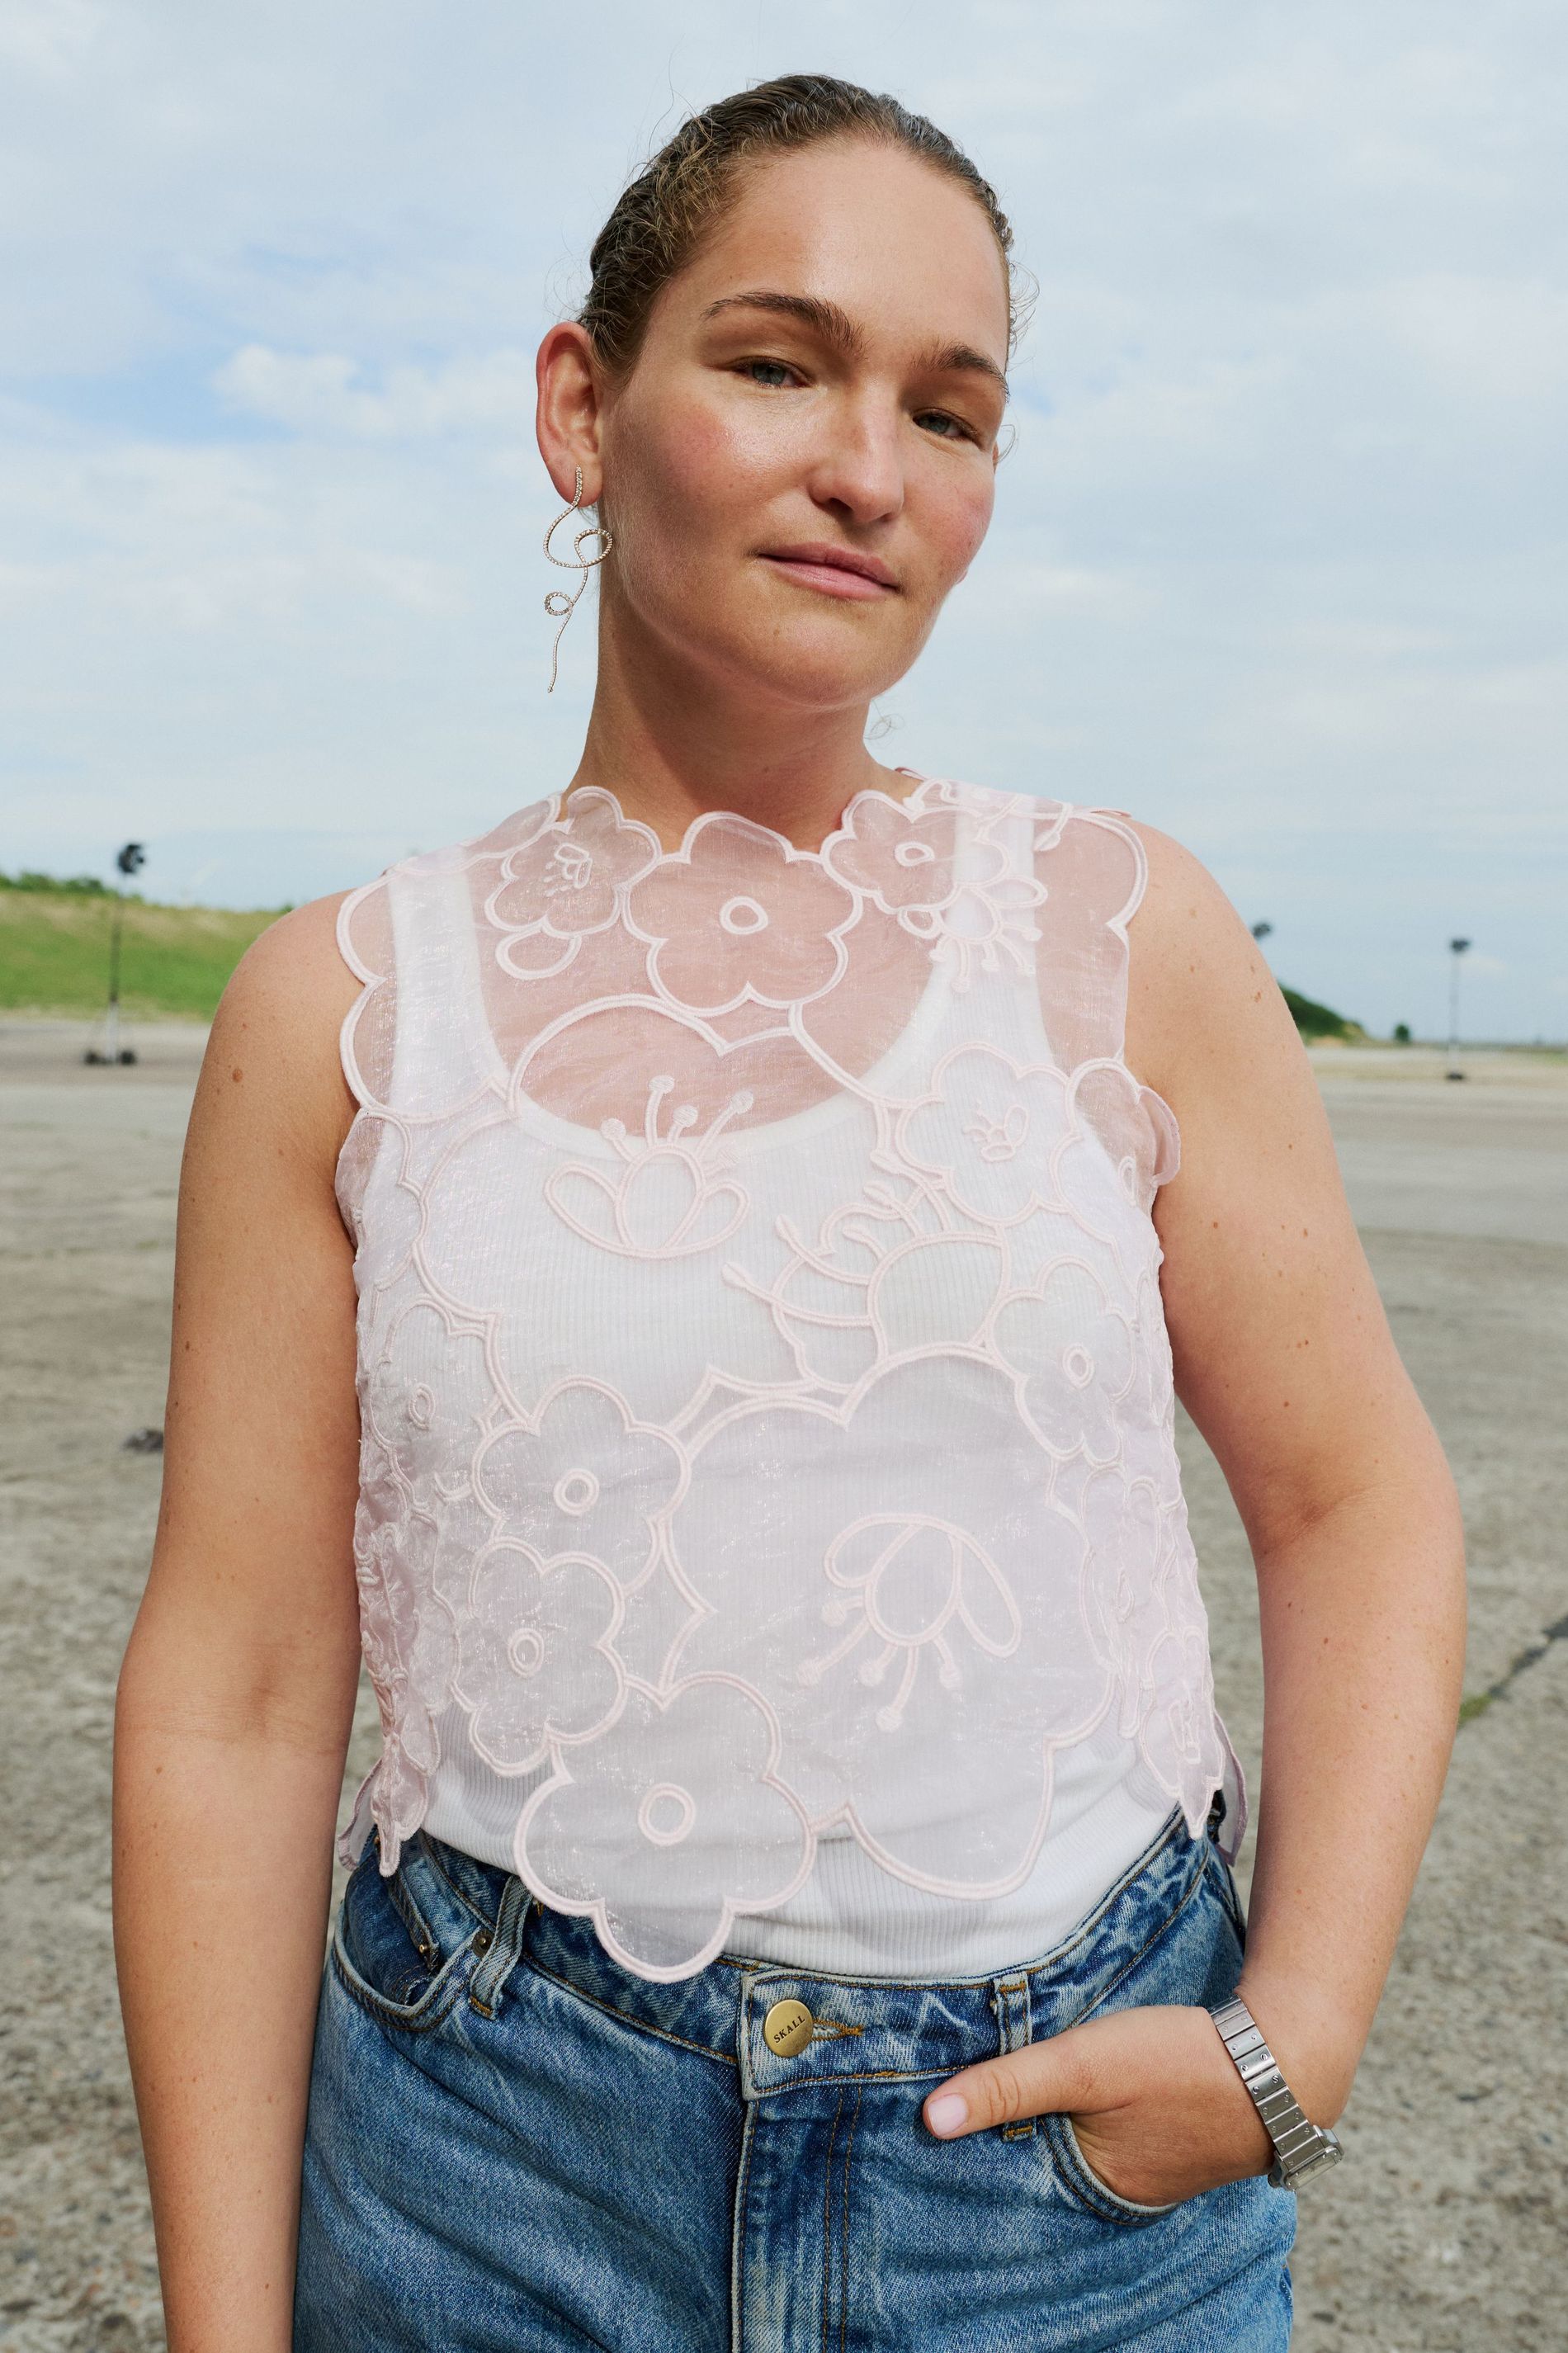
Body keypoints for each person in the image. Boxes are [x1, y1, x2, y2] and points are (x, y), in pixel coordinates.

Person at [112, 72, 1466, 2353]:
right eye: (775, 364)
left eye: (950, 413)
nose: (870, 470)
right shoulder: (335, 1010)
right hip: (489, 2173)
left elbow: (1355, 1500)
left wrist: (1293, 2039)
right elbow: (237, 1691)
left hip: (1057, 2202)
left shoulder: (1119, 934)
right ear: (582, 405)